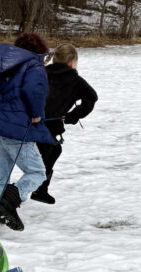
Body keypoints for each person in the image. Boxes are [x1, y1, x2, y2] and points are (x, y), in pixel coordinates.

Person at [0, 33, 54, 233]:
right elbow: (34, 90)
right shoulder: (33, 66)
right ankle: (7, 201)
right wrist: (36, 114)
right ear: (38, 51)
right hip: (18, 130)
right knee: (38, 172)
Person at [32, 44, 98, 204]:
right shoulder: (75, 80)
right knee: (39, 164)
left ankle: (40, 189)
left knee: (54, 150)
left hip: (31, 122)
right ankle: (11, 200)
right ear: (72, 62)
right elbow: (92, 97)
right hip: (47, 126)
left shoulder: (41, 73)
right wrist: (72, 116)